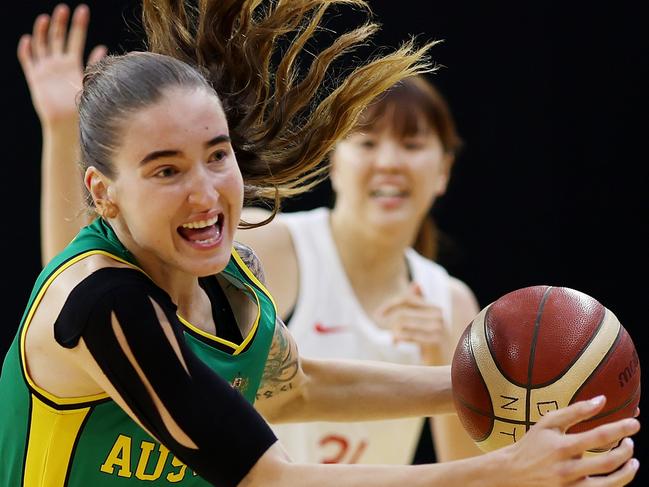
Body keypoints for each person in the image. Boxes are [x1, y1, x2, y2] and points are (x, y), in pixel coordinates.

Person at [2, 2, 640, 487]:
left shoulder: (231, 273)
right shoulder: (101, 303)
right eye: (166, 170)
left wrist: (490, 383)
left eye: (217, 156)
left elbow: (293, 388)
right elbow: (269, 478)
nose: (204, 192)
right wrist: (503, 471)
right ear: (104, 193)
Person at [238, 74, 484, 463]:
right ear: (334, 162)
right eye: (367, 143)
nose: (388, 163)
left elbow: (470, 471)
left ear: (444, 170)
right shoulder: (267, 245)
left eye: (412, 144)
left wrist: (443, 360)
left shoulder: (452, 303)